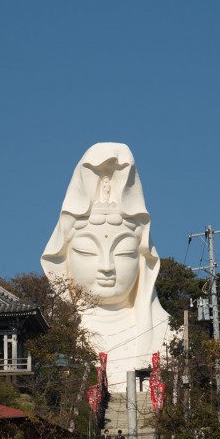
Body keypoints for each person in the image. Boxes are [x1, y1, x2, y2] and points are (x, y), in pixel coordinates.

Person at [41, 143, 173, 393]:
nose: (106, 267)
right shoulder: (50, 335)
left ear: (142, 258)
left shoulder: (168, 336)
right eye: (87, 252)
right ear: (65, 258)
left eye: (123, 252)